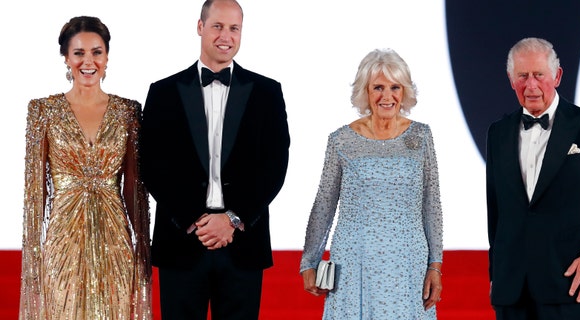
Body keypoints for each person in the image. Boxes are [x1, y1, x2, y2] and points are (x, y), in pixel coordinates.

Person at [139, 0, 290, 319]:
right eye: (218, 26)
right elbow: (152, 164)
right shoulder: (163, 91)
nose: (226, 36)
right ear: (200, 27)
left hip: (243, 244)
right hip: (182, 241)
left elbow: (275, 165)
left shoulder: (267, 92)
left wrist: (233, 218)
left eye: (234, 28)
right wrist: (194, 218)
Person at [486, 37, 580, 320]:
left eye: (539, 75)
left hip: (571, 287)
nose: (531, 85)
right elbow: (496, 213)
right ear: (510, 79)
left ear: (557, 76)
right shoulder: (497, 133)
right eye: (522, 76)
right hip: (511, 292)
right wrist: (497, 274)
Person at [19, 16, 151, 319]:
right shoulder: (42, 111)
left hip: (114, 237)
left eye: (96, 52)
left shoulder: (128, 112)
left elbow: (133, 187)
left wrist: (142, 247)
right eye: (79, 53)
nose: (88, 61)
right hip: (62, 239)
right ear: (66, 57)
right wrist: (34, 256)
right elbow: (34, 193)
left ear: (106, 56)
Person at [300, 48, 443, 319]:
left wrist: (435, 266)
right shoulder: (341, 140)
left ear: (404, 92)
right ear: (365, 91)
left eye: (394, 87)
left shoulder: (421, 136)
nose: (386, 96)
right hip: (353, 263)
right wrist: (309, 260)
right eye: (378, 87)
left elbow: (431, 205)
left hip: (408, 264)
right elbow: (324, 203)